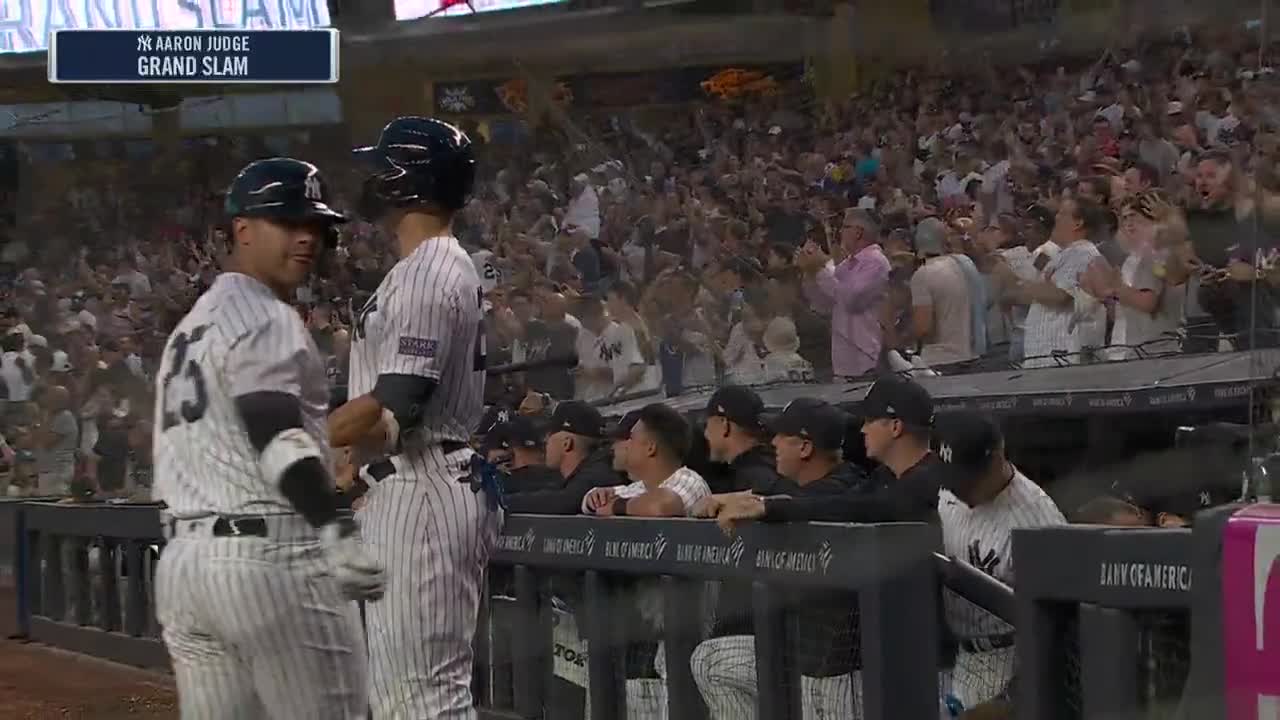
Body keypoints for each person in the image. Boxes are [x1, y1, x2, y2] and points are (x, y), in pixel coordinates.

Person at [152, 157, 383, 718]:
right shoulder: (266, 317)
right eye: (287, 222)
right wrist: (333, 520)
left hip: (186, 568)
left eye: (315, 225)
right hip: (270, 559)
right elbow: (274, 430)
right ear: (242, 229)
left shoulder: (191, 327)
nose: (306, 237)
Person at [328, 117, 501, 719]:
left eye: (383, 167)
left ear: (407, 181)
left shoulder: (428, 271)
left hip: (423, 481)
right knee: (405, 693)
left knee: (423, 698)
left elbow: (399, 407)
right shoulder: (432, 266)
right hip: (413, 479)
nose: (371, 178)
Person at [692, 397, 866, 720]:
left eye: (781, 437)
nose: (771, 443)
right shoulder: (804, 488)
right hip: (807, 662)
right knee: (710, 659)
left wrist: (755, 501)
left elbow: (821, 502)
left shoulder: (847, 487)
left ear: (804, 448)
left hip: (845, 676)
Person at [933, 411, 1065, 708]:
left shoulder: (1037, 518)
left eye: (967, 479)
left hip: (1010, 660)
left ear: (997, 457)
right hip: (962, 659)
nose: (959, 489)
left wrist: (1012, 698)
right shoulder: (948, 489)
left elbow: (1060, 625)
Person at [583, 402, 710, 517]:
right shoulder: (641, 487)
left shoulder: (690, 481)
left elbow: (663, 505)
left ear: (650, 448)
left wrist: (616, 506)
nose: (626, 444)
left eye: (631, 438)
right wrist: (595, 497)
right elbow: (592, 499)